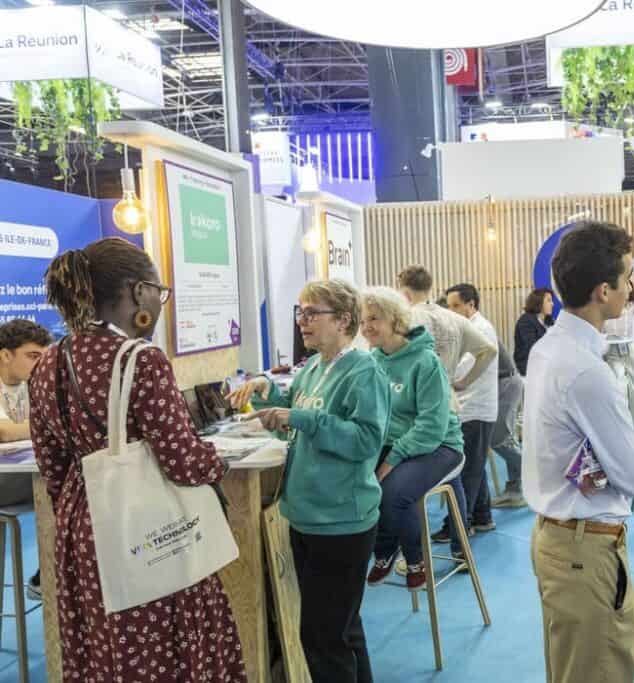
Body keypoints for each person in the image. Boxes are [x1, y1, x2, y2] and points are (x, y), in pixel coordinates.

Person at [29, 238, 246, 681]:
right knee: (165, 643)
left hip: (81, 527)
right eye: (159, 292)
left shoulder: (49, 362)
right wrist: (217, 460)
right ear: (137, 292)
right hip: (150, 527)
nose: (160, 303)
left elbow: (52, 466)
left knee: (101, 643)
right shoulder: (140, 359)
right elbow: (182, 460)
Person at [228, 280, 389, 683]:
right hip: (307, 517)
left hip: (342, 521)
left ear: (344, 320)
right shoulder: (314, 367)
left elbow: (366, 440)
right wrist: (267, 395)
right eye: (300, 313)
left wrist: (300, 418)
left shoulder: (364, 371)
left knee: (322, 638)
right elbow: (292, 421)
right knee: (342, 629)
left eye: (312, 313)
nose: (302, 321)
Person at [523, 220, 634, 683]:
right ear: (604, 291)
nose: (631, 289)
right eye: (627, 277)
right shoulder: (586, 371)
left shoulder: (549, 349)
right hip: (584, 550)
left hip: (559, 539)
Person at [361, 287, 468, 591]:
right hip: (400, 444)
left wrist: (392, 459)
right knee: (360, 485)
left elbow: (431, 427)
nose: (366, 327)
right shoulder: (374, 361)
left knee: (394, 492)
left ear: (395, 320)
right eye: (363, 320)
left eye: (374, 318)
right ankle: (385, 550)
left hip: (440, 445)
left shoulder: (425, 362)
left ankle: (414, 559)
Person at [435, 283, 498, 538]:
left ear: (471, 304)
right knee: (475, 466)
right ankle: (482, 516)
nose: (451, 311)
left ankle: (459, 527)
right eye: (448, 306)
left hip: (475, 408)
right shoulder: (466, 328)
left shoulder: (480, 330)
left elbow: (460, 368)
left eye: (456, 306)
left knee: (468, 470)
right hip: (470, 407)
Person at [0, 318, 52, 600]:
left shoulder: (33, 383)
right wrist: (43, 426)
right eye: (32, 356)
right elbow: (4, 432)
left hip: (19, 473)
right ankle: (47, 578)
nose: (40, 363)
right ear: (5, 355)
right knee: (65, 485)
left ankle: (50, 575)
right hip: (4, 480)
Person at [397, 265, 497, 404]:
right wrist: (463, 383)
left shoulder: (404, 320)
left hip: (415, 400)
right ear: (428, 288)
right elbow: (490, 351)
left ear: (405, 293)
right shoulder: (457, 319)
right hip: (447, 399)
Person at [604, 277, 634, 432]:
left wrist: (630, 277)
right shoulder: (607, 311)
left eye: (629, 287)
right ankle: (620, 436)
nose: (628, 289)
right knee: (616, 397)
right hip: (611, 354)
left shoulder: (633, 308)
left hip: (632, 352)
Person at [491, 341, 526, 508]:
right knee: (505, 439)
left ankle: (539, 476)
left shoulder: (476, 329)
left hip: (505, 382)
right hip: (501, 382)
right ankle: (515, 490)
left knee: (499, 439)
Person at [514, 288, 554, 376]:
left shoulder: (549, 320)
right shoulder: (526, 320)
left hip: (545, 366)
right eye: (549, 300)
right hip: (529, 368)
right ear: (538, 302)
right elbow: (533, 347)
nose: (552, 304)